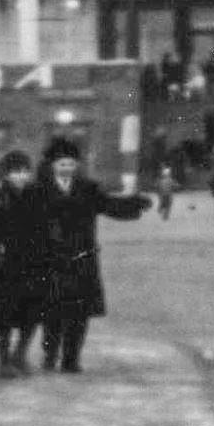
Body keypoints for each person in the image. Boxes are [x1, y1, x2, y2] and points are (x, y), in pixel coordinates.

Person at [34, 137, 150, 373]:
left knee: (79, 313)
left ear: (76, 165)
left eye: (70, 164)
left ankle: (71, 359)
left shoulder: (88, 189)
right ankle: (50, 354)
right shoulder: (39, 190)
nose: (66, 168)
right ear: (52, 166)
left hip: (82, 259)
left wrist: (135, 204)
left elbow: (109, 205)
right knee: (51, 312)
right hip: (51, 259)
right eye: (61, 164)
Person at [0, 149, 50, 376]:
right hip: (4, 265)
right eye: (16, 172)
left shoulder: (37, 195)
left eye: (25, 171)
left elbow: (45, 229)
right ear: (5, 174)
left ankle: (20, 353)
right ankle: (4, 360)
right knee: (3, 316)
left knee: (33, 312)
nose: (21, 176)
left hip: (33, 263)